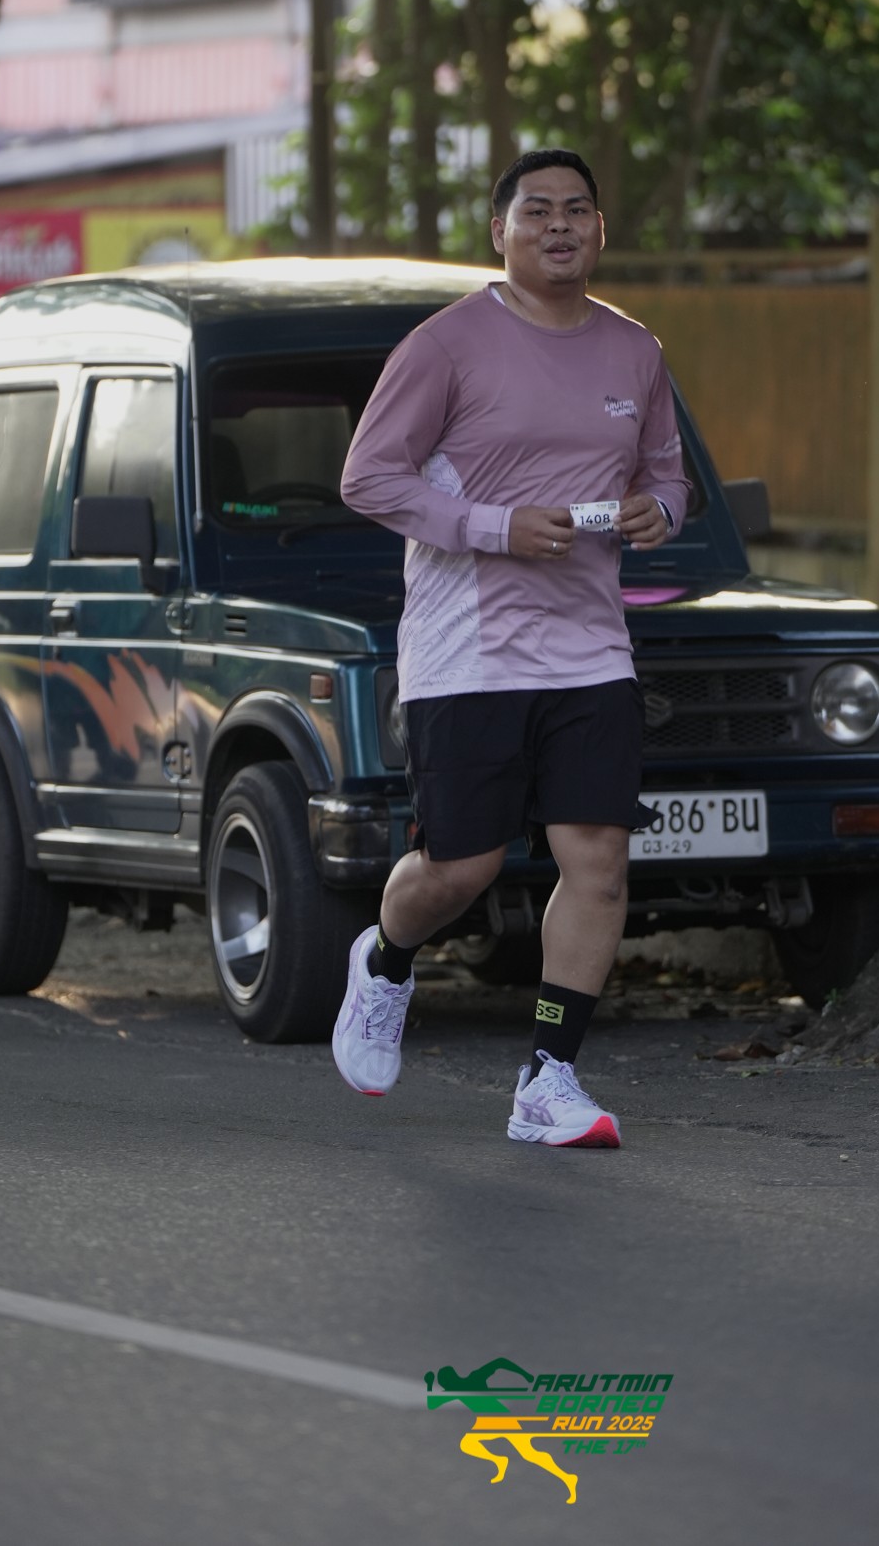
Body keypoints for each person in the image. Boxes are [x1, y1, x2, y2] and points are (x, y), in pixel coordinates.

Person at [331, 149, 691, 1147]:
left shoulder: (634, 350)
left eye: (577, 209)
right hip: (470, 648)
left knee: (598, 862)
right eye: (537, 210)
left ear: (601, 229)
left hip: (590, 647)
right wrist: (496, 526)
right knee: (461, 866)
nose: (559, 225)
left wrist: (658, 510)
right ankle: (385, 961)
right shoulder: (446, 344)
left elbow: (667, 474)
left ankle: (548, 1075)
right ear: (500, 231)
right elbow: (368, 477)